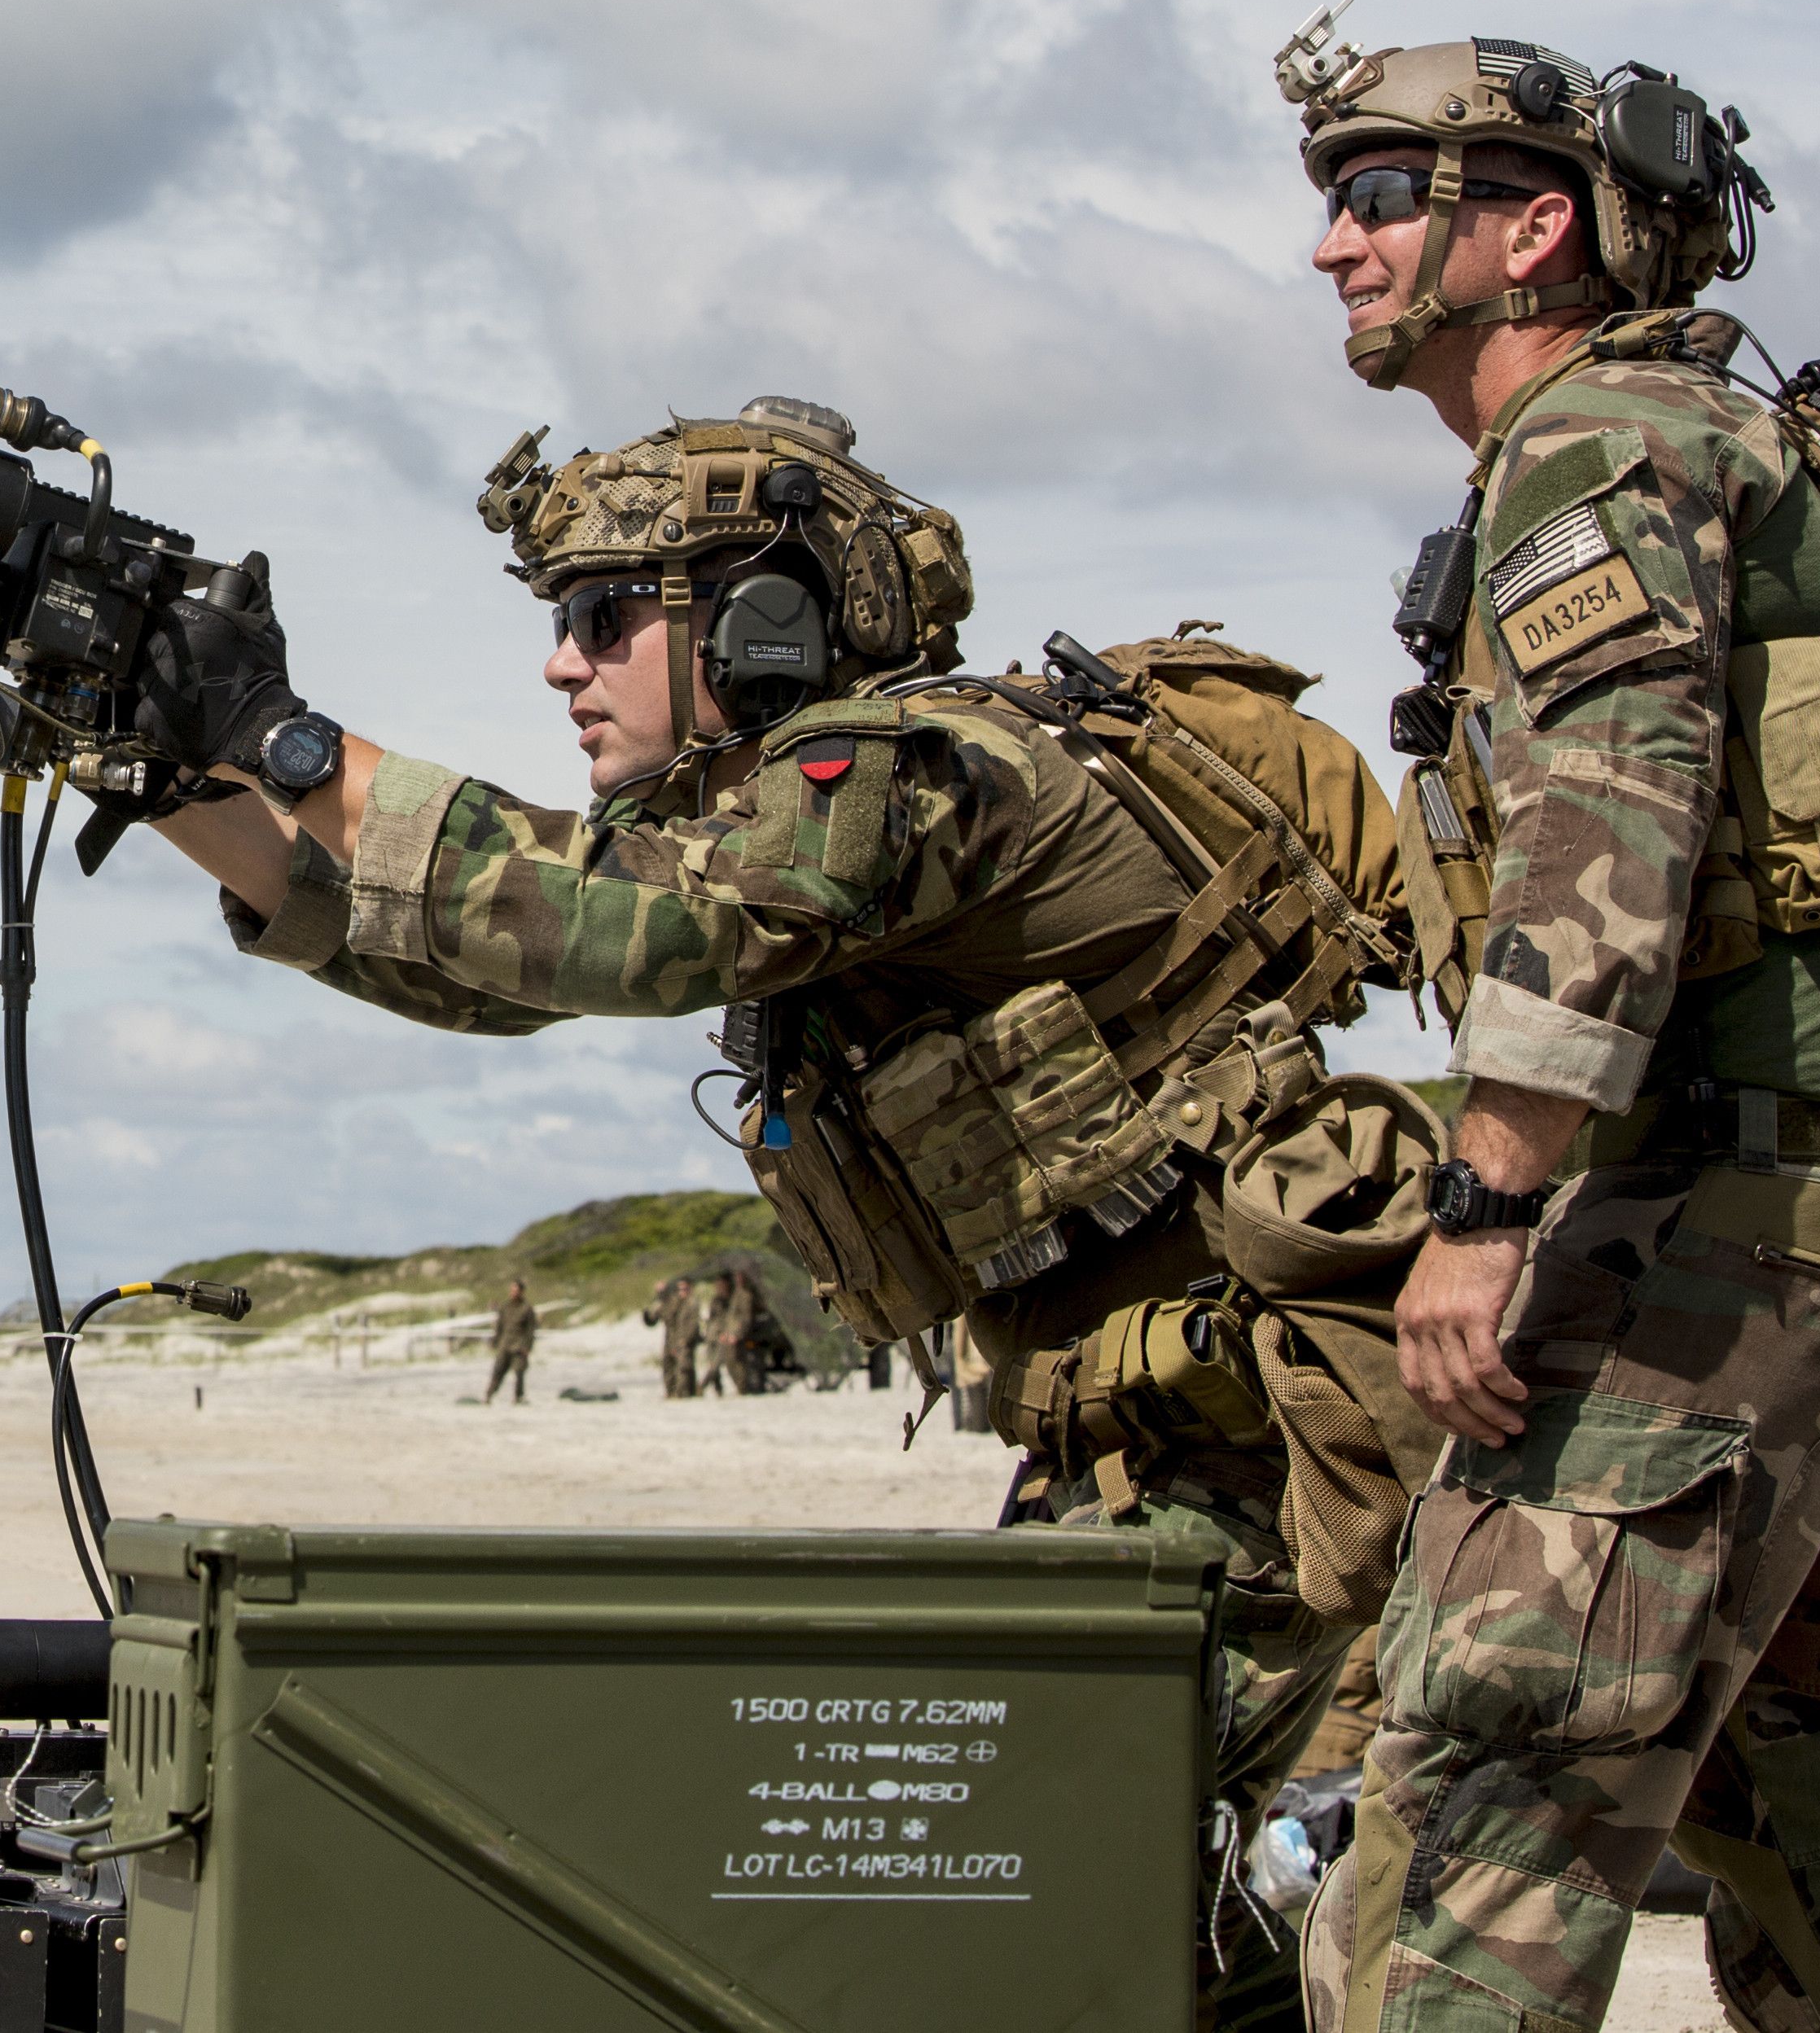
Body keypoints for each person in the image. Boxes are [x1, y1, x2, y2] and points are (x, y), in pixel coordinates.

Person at [127, 397, 1439, 2028]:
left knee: (1053, 1924)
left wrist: (289, 738)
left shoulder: (938, 767)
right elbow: (477, 962)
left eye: (606, 616)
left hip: (1295, 1479)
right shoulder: (786, 819)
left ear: (763, 621)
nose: (563, 665)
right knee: (1139, 1944)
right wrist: (169, 760)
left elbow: (627, 927)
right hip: (1149, 1468)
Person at [1275, 16, 1820, 2031]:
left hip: (1698, 1239)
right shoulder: (1741, 441)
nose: (1330, 249)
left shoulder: (1597, 446)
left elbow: (1606, 845)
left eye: (1373, 198)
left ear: (1531, 230)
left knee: (1470, 1830)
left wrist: (1482, 1193)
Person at [644, 1273, 701, 1399]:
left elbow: (692, 1324)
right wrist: (649, 1311)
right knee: (668, 1367)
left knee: (684, 1368)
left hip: (683, 1340)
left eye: (684, 1289)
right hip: (670, 1339)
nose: (682, 1292)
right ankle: (672, 1393)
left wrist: (684, 1340)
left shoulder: (689, 1303)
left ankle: (684, 1393)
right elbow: (652, 1320)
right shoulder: (666, 1303)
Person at [485, 1278, 538, 1404]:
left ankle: (518, 1397)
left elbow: (531, 1330)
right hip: (505, 1344)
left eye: (516, 1290)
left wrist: (528, 1347)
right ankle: (489, 1395)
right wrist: (495, 1341)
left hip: (519, 1345)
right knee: (498, 1371)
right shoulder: (505, 1307)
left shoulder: (527, 1308)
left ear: (521, 1292)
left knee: (519, 1371)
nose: (513, 1293)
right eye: (512, 1290)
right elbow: (499, 1326)